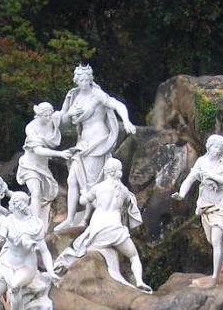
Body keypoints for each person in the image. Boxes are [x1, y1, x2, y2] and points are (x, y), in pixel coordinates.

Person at [54, 64, 137, 231]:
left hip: (98, 140)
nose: (84, 82)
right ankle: (70, 218)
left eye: (87, 79)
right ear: (76, 80)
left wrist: (126, 121)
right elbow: (62, 119)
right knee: (72, 179)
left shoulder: (97, 94)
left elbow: (117, 105)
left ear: (91, 79)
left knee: (92, 183)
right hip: (82, 142)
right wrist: (69, 114)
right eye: (81, 80)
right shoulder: (73, 95)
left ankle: (90, 217)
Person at [54, 157, 152, 293]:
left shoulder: (99, 187)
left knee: (82, 249)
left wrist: (84, 191)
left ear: (106, 171)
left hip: (98, 228)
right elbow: (128, 207)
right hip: (116, 229)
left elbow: (83, 201)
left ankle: (64, 267)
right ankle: (139, 281)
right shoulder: (124, 191)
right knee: (134, 256)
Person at [0, 192, 60, 310]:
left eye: (23, 201)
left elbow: (44, 251)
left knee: (15, 285)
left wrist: (51, 271)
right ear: (12, 204)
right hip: (6, 263)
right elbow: (1, 233)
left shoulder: (34, 224)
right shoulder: (8, 221)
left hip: (26, 265)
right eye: (17, 201)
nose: (20, 204)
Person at [172, 134, 223, 287]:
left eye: (220, 148)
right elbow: (190, 179)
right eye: (215, 147)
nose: (217, 151)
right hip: (207, 203)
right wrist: (181, 194)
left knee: (216, 239)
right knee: (212, 240)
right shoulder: (202, 161)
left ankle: (215, 277)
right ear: (209, 147)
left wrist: (213, 176)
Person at [17, 102, 72, 228]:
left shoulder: (52, 119)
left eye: (50, 114)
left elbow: (64, 114)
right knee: (36, 192)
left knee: (44, 196)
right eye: (45, 115)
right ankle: (34, 223)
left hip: (43, 167)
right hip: (29, 166)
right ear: (39, 115)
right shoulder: (31, 128)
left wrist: (72, 105)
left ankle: (36, 218)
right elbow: (38, 150)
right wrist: (60, 154)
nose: (48, 117)